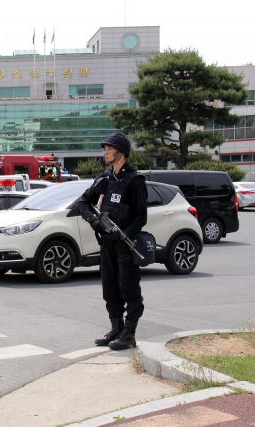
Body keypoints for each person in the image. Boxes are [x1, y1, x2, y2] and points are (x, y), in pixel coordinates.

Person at [77, 132, 148, 350]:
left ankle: (129, 333)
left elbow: (140, 217)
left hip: (125, 244)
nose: (105, 152)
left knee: (129, 288)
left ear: (121, 153)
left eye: (109, 149)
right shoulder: (106, 178)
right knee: (110, 288)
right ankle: (116, 328)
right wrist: (93, 221)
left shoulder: (134, 180)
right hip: (106, 243)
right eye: (104, 149)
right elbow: (83, 201)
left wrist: (124, 232)